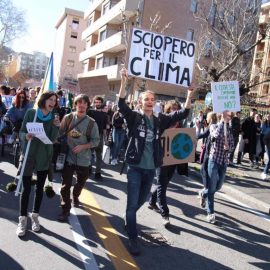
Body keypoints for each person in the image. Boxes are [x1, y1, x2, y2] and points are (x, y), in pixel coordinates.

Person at [118, 68, 193, 255]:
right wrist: (124, 83)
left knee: (141, 201)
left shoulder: (160, 120)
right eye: (146, 100)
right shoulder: (134, 117)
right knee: (131, 203)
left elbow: (182, 114)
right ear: (141, 102)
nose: (150, 102)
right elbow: (121, 105)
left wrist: (190, 94)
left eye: (152, 100)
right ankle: (133, 237)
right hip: (135, 168)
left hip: (151, 169)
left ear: (155, 103)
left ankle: (129, 218)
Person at [16, 91, 60, 237]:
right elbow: (21, 132)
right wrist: (26, 136)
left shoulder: (53, 118)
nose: (53, 102)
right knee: (26, 188)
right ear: (44, 100)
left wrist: (56, 126)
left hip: (44, 157)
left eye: (55, 100)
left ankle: (35, 217)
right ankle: (22, 220)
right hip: (29, 155)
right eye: (50, 99)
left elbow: (53, 139)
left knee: (39, 188)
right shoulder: (31, 113)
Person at [58, 94, 99, 222]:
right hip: (69, 157)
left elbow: (96, 141)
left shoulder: (92, 123)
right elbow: (60, 134)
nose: (81, 105)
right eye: (79, 103)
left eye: (84, 103)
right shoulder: (68, 118)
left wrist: (84, 146)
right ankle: (65, 210)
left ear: (87, 105)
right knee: (66, 185)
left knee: (81, 182)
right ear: (75, 105)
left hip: (84, 159)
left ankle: (76, 195)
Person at [148, 100, 189, 227]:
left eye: (177, 108)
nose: (175, 110)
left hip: (173, 159)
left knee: (164, 184)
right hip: (161, 157)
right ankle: (165, 214)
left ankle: (152, 201)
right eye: (173, 108)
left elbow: (183, 140)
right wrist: (168, 129)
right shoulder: (161, 120)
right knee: (161, 184)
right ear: (168, 109)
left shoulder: (180, 123)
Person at [206, 110, 234, 224]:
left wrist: (228, 147)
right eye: (227, 115)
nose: (229, 117)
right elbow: (215, 135)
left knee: (219, 186)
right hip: (214, 160)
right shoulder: (214, 126)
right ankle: (210, 213)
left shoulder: (230, 130)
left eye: (229, 116)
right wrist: (222, 123)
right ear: (221, 116)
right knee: (212, 189)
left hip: (223, 162)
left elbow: (232, 145)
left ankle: (203, 193)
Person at [87, 96, 108, 180]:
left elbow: (104, 128)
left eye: (99, 102)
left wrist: (105, 139)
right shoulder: (90, 112)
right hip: (91, 137)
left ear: (102, 103)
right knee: (89, 154)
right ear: (94, 102)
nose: (98, 104)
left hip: (100, 137)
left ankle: (98, 173)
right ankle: (88, 169)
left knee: (99, 156)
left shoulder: (104, 115)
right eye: (96, 102)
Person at [261, 114, 270, 180]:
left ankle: (265, 172)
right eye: (268, 117)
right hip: (268, 145)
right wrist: (266, 144)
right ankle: (264, 172)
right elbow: (264, 137)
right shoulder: (264, 124)